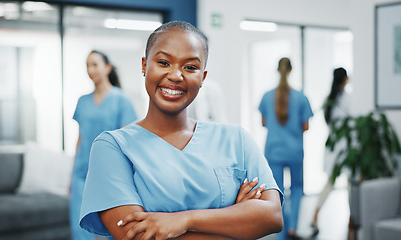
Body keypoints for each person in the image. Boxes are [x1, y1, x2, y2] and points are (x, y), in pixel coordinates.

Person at [79, 21, 283, 240]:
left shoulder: (237, 140)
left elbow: (272, 217)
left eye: (190, 67)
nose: (176, 75)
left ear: (203, 77)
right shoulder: (113, 147)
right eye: (164, 62)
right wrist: (236, 223)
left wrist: (184, 221)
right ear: (144, 65)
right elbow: (136, 236)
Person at [70, 50, 138, 240]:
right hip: (82, 172)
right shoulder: (82, 101)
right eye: (87, 65)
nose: (90, 70)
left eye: (95, 64)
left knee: (115, 228)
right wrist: (71, 173)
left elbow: (128, 140)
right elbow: (80, 138)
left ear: (107, 68)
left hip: (110, 172)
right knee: (80, 228)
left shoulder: (121, 99)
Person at [258, 57, 313, 240]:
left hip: (274, 150)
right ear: (291, 70)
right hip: (295, 150)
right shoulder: (301, 97)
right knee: (297, 188)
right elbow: (305, 126)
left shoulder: (267, 96)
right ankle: (293, 228)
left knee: (277, 191)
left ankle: (281, 231)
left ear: (277, 70)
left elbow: (264, 122)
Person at [311, 67, 350, 235]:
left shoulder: (329, 99)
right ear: (345, 79)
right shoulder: (346, 99)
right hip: (345, 147)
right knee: (350, 183)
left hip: (333, 146)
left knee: (330, 182)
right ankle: (352, 221)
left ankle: (315, 214)